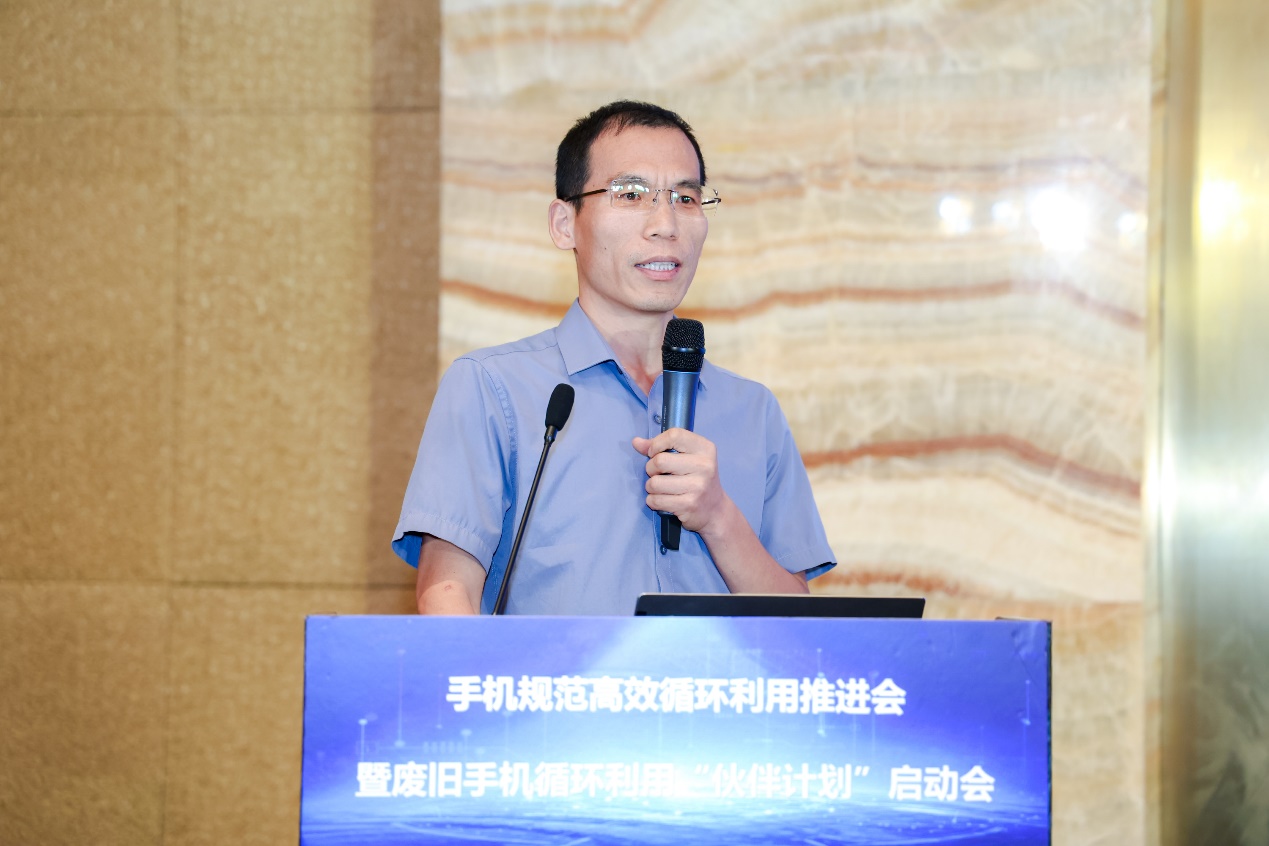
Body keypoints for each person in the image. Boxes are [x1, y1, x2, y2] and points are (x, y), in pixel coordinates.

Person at [393, 100, 835, 615]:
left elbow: (800, 629)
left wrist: (718, 516)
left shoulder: (753, 411)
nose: (665, 224)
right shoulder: (493, 388)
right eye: (631, 194)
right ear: (564, 223)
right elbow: (447, 595)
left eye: (686, 198)